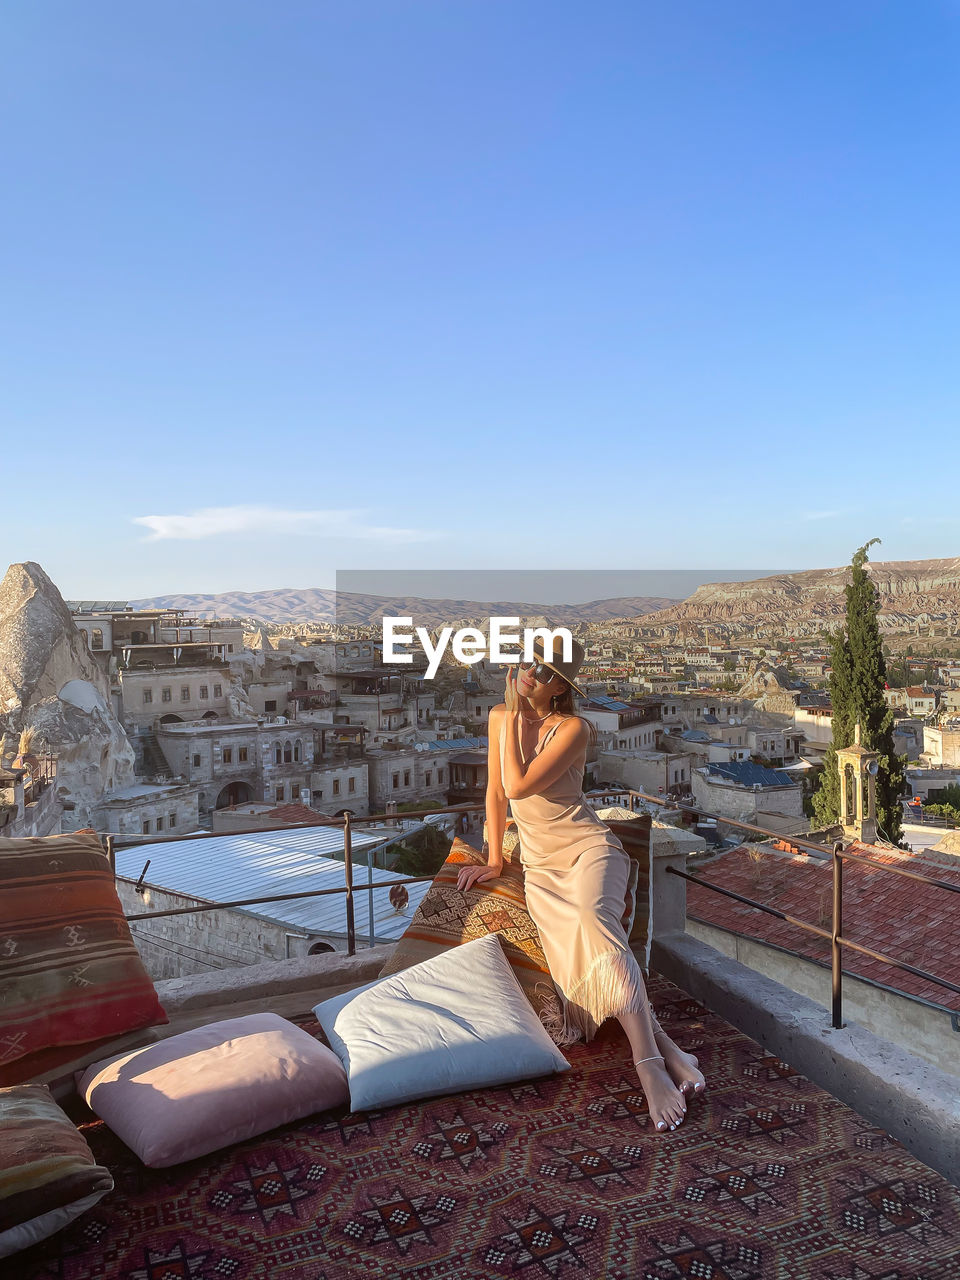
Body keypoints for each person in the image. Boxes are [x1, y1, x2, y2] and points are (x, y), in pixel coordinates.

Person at [457, 637, 706, 1134]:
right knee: (590, 939)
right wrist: (491, 858)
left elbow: (519, 784)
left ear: (561, 689)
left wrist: (510, 715)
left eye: (546, 672)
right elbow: (493, 793)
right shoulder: (498, 719)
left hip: (589, 849)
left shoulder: (574, 728)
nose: (533, 675)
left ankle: (649, 1066)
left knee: (594, 921)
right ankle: (671, 1050)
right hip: (542, 867)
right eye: (529, 664)